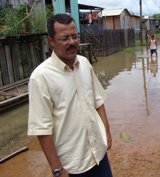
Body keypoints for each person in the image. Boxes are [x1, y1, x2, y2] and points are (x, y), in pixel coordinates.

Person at [27, 13, 113, 177]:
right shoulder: (40, 78)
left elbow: (98, 101)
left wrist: (106, 133)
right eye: (65, 38)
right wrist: (57, 169)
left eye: (75, 36)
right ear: (51, 41)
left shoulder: (85, 64)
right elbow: (42, 129)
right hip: (73, 165)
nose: (72, 42)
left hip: (99, 156)